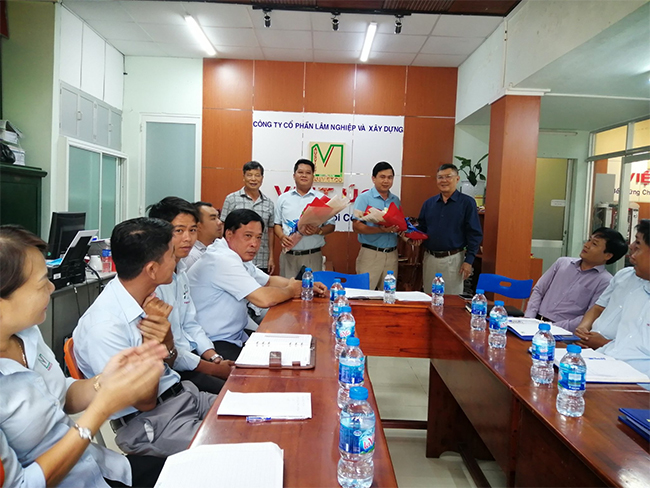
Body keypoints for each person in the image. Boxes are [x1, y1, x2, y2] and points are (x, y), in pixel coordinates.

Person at [0, 225, 167, 488]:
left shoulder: (26, 333)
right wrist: (100, 410)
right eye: (42, 283)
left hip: (101, 468)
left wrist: (104, 381)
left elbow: (59, 394)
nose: (51, 288)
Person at [73, 218, 216, 457]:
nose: (176, 260)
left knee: (258, 418)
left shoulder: (148, 299)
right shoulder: (105, 326)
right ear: (151, 269)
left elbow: (169, 362)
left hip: (184, 396)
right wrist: (152, 344)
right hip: (153, 423)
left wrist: (167, 341)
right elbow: (145, 401)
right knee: (240, 443)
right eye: (171, 255)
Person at [188, 209, 328, 360]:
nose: (254, 244)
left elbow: (269, 281)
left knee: (291, 348)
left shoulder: (235, 255)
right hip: (212, 343)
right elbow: (263, 299)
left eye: (258, 237)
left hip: (235, 335)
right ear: (229, 234)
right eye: (248, 236)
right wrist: (292, 290)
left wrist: (305, 285)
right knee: (278, 363)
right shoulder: (221, 259)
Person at [148, 197, 234, 394]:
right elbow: (168, 349)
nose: (187, 238)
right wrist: (213, 368)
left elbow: (190, 323)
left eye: (192, 230)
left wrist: (214, 357)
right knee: (232, 393)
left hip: (192, 357)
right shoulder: (153, 281)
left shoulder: (181, 272)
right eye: (179, 231)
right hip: (173, 368)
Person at [574, 220, 650, 376]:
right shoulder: (626, 277)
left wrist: (601, 344)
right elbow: (598, 307)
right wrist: (584, 333)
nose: (631, 248)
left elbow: (634, 353)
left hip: (630, 377)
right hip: (604, 358)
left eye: (638, 244)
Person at [524, 227, 627, 332]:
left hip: (562, 332)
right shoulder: (562, 263)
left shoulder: (605, 281)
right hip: (534, 322)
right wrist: (529, 318)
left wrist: (552, 328)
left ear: (608, 256)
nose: (586, 245)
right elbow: (539, 290)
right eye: (589, 240)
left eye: (594, 244)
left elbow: (589, 316)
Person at [418, 163, 483, 295]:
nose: (444, 180)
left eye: (448, 176)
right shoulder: (429, 204)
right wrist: (410, 235)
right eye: (440, 177)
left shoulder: (467, 203)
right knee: (429, 298)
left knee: (451, 300)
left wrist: (469, 261)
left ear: (457, 179)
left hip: (454, 259)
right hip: (430, 258)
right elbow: (422, 229)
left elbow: (474, 234)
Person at [274, 159, 336, 278]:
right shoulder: (283, 198)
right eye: (300, 172)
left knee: (313, 288)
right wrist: (281, 236)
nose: (304, 175)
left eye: (308, 173)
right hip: (289, 256)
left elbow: (331, 226)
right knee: (288, 288)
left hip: (312, 255)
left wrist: (318, 231)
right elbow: (277, 224)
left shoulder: (322, 199)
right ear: (294, 175)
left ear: (313, 176)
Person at [352, 161, 402, 290]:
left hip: (392, 255)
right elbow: (356, 226)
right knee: (365, 294)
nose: (386, 181)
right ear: (373, 178)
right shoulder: (364, 198)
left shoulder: (395, 200)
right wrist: (380, 229)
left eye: (390, 177)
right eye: (382, 177)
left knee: (388, 294)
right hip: (371, 254)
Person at [222, 161, 276, 274]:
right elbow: (223, 227)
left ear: (262, 178)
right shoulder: (231, 199)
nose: (253, 179)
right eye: (249, 175)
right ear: (243, 177)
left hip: (261, 258)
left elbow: (270, 231)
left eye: (257, 175)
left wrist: (271, 257)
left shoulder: (269, 203)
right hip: (235, 257)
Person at [180, 201, 223, 272]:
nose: (220, 222)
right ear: (198, 226)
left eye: (218, 217)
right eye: (213, 218)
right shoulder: (192, 256)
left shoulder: (218, 247)